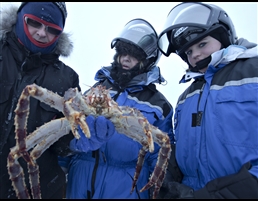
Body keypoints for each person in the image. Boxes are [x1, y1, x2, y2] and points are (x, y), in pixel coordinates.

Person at [59, 18, 174, 199]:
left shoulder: (159, 106)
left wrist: (158, 192)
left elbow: (160, 156)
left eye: (134, 55)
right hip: (79, 185)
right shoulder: (94, 90)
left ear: (148, 60)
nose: (126, 58)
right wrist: (60, 170)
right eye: (122, 52)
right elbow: (67, 133)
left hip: (125, 189)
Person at [156, 2, 258, 199]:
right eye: (188, 52)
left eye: (202, 44)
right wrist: (167, 180)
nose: (195, 55)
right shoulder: (186, 97)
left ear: (224, 37)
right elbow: (179, 149)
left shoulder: (253, 72)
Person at [0, 2, 87, 199]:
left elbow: (61, 144)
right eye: (34, 23)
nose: (41, 33)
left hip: (34, 189)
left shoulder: (67, 79)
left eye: (51, 30)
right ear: (21, 17)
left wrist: (78, 139)